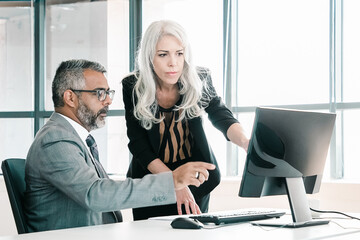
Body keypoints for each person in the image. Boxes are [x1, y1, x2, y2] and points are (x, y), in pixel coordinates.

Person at [24, 59, 215, 232]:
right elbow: (95, 194)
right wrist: (172, 180)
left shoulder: (75, 138)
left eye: (108, 93)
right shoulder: (55, 140)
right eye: (100, 93)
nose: (108, 100)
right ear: (70, 98)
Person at [122, 20, 249, 221]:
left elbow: (220, 114)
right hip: (153, 184)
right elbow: (138, 144)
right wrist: (173, 183)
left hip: (196, 181)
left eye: (179, 53)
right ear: (149, 56)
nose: (173, 62)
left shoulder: (199, 77)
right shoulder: (133, 86)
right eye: (163, 54)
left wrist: (245, 141)